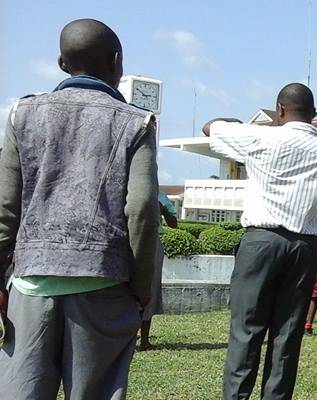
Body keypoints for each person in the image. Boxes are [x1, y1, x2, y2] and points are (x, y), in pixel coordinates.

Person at [0, 19, 159, 399]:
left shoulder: (21, 113)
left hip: (32, 284)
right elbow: (140, 210)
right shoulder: (137, 122)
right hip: (104, 285)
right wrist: (140, 291)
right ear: (117, 62)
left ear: (60, 62)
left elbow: (5, 209)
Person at [203, 82, 317, 399]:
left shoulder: (262, 137)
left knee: (247, 331)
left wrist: (241, 125)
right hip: (303, 247)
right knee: (287, 335)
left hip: (262, 241)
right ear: (314, 114)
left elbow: (210, 127)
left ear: (279, 110)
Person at [140, 192, 180, 351]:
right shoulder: (127, 187)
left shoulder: (161, 196)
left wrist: (162, 209)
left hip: (153, 243)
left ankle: (144, 340)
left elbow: (174, 224)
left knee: (150, 288)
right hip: (129, 240)